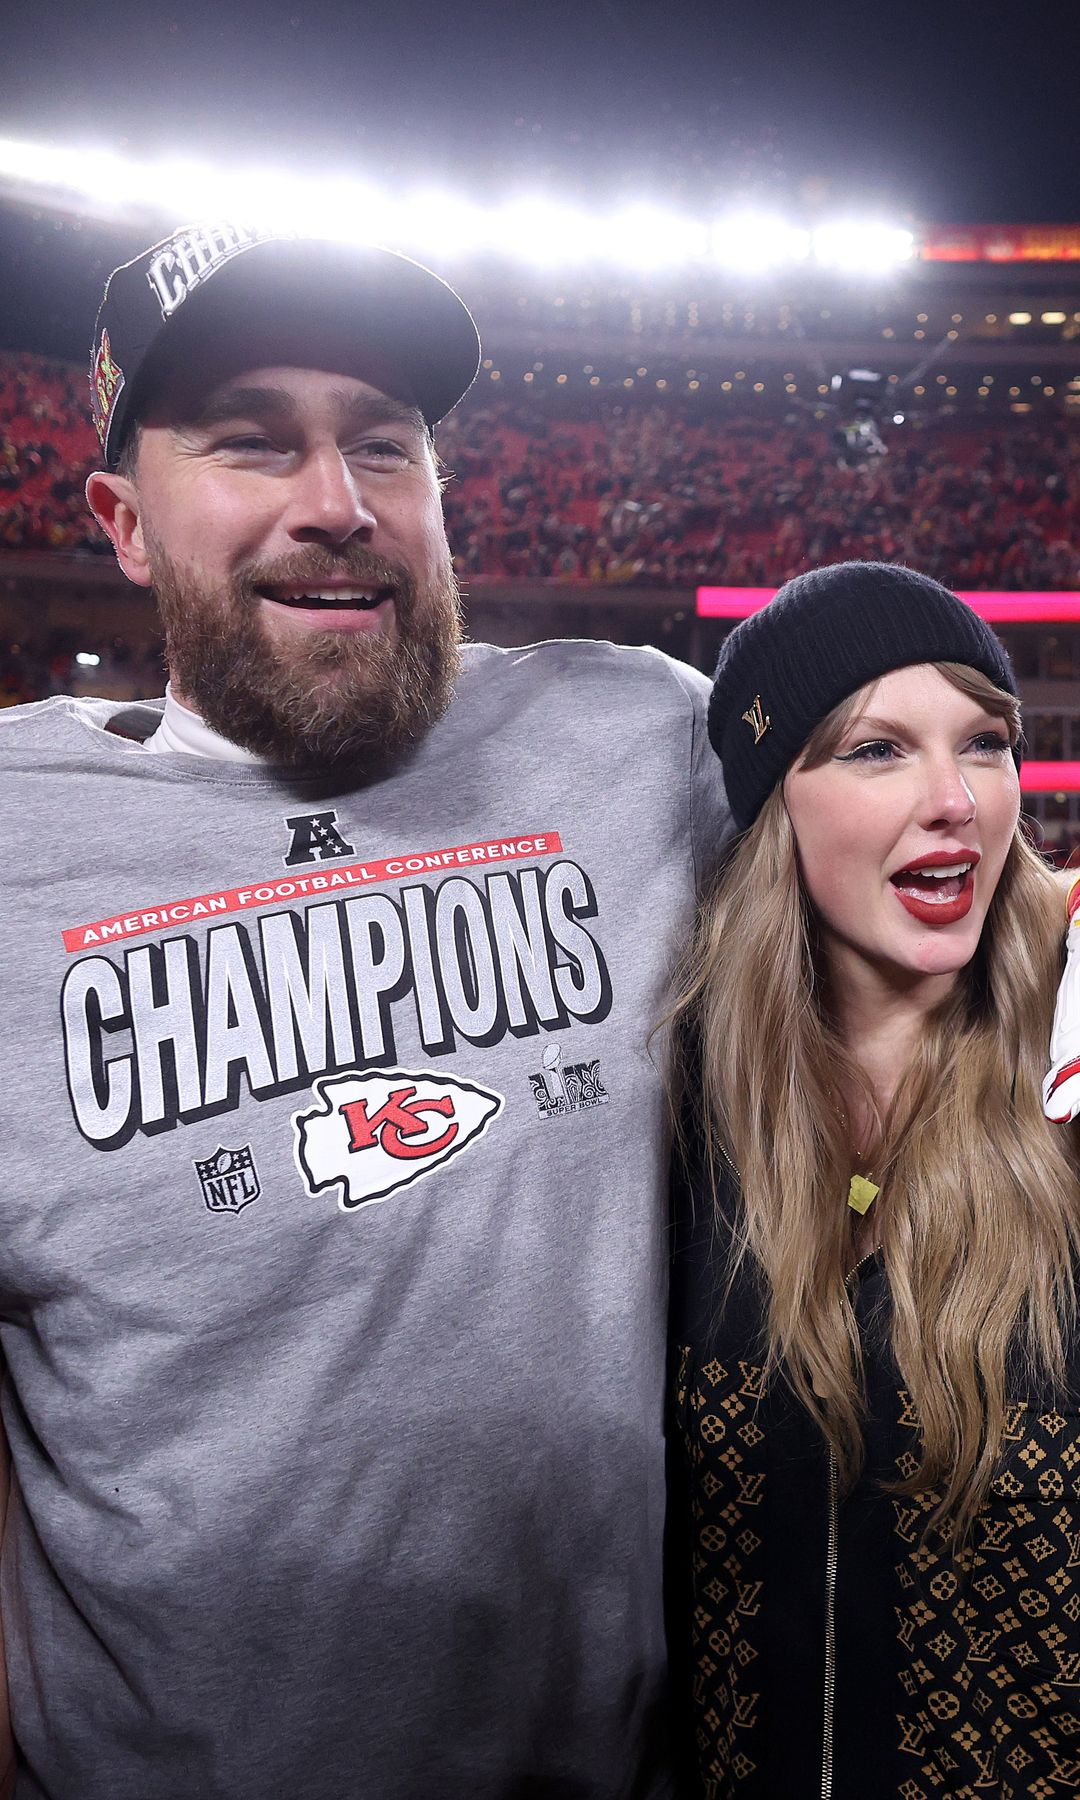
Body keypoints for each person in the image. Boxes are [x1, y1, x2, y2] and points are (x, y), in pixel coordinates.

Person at [0, 222, 730, 1798]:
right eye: (253, 443)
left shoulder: (636, 738)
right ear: (124, 522)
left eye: (385, 447)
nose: (336, 505)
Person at [669, 561, 1080, 1798]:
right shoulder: (678, 1115)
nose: (956, 799)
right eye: (876, 750)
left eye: (986, 742)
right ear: (772, 800)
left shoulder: (1070, 1080)